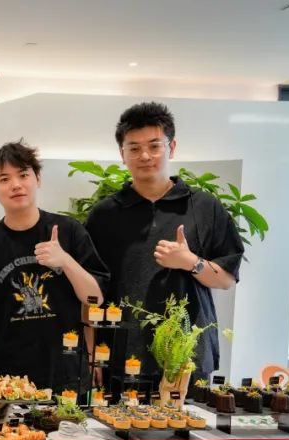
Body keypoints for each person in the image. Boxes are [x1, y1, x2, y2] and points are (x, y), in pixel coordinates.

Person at [85, 102, 244, 383]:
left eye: (154, 146)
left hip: (187, 357)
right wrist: (91, 354)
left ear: (171, 148)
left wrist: (191, 262)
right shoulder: (104, 215)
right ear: (122, 154)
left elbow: (226, 279)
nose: (145, 155)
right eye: (134, 148)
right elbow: (90, 291)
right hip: (121, 356)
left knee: (192, 415)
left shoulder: (205, 207)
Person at [0, 141, 109, 392]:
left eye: (23, 175)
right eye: (4, 179)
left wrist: (65, 261)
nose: (16, 185)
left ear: (38, 178)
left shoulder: (70, 231)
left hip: (67, 374)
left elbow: (95, 298)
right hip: (8, 381)